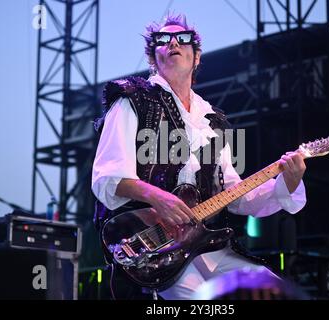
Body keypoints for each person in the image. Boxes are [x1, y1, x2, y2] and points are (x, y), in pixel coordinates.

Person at [91, 13, 307, 300]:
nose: (172, 43)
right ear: (153, 57)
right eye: (162, 40)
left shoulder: (215, 121)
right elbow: (107, 177)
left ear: (196, 57)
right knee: (201, 302)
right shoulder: (132, 100)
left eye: (182, 39)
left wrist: (287, 182)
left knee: (273, 291)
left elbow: (236, 195)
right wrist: (158, 197)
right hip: (155, 246)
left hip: (208, 244)